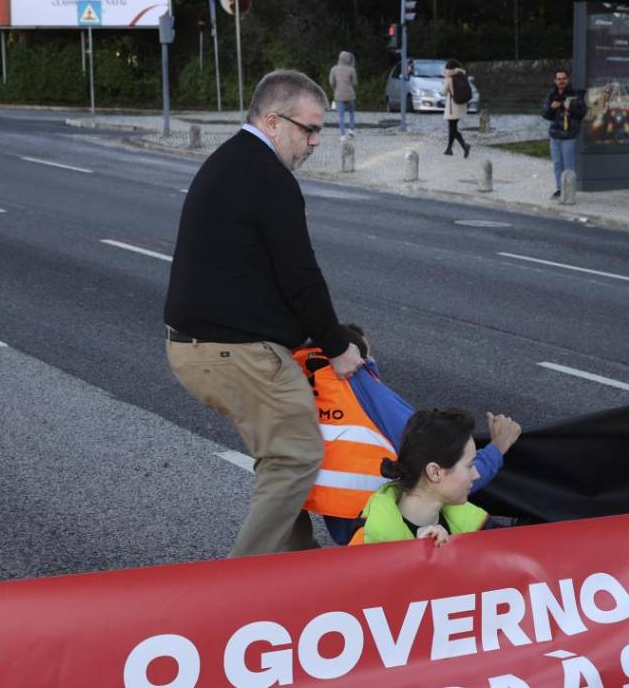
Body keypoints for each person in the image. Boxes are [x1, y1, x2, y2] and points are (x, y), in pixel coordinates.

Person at [165, 69, 363, 557]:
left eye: (321, 130)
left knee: (280, 458)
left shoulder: (232, 161)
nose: (316, 142)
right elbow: (300, 277)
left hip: (199, 347)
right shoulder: (269, 178)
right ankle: (238, 594)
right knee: (296, 456)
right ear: (273, 121)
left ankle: (297, 573)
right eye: (309, 129)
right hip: (236, 352)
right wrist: (337, 346)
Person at [293, 323, 521, 544]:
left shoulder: (298, 387)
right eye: (369, 357)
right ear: (357, 359)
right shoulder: (367, 392)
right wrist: (497, 448)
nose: (372, 363)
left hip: (335, 515)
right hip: (379, 523)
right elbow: (441, 463)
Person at [349, 408, 489, 546]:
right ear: (435, 472)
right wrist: (415, 557)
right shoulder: (368, 541)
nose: (476, 475)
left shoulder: (474, 522)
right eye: (469, 466)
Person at [542, 68, 587, 200]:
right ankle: (559, 189)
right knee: (557, 164)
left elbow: (581, 113)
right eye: (559, 79)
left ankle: (569, 190)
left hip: (569, 136)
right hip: (555, 135)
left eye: (563, 78)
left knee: (568, 165)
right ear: (555, 81)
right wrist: (552, 108)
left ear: (567, 80)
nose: (561, 81)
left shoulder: (575, 95)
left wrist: (570, 107)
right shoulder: (552, 95)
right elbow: (545, 114)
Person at [441, 59, 471, 158]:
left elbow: (444, 92)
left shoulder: (449, 78)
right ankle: (449, 149)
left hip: (452, 106)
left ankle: (464, 145)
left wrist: (445, 81)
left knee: (453, 128)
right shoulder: (462, 75)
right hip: (461, 105)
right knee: (453, 126)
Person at [328, 51, 357, 140]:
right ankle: (351, 130)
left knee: (341, 115)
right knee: (351, 113)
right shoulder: (352, 69)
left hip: (339, 95)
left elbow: (331, 82)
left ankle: (343, 134)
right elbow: (355, 82)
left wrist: (335, 88)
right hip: (350, 94)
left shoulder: (334, 69)